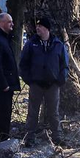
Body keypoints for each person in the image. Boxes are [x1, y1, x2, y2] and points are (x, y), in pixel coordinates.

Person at [18, 16, 69, 147]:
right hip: (36, 84)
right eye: (37, 26)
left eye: (40, 26)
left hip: (53, 85)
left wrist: (60, 80)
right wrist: (29, 80)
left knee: (54, 112)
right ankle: (29, 137)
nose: (37, 29)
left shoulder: (58, 45)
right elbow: (23, 64)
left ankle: (57, 137)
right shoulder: (31, 44)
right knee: (32, 112)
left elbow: (64, 65)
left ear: (46, 28)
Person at [0, 12, 20, 143]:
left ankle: (4, 138)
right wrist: (4, 84)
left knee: (7, 113)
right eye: (9, 22)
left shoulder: (5, 39)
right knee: (3, 113)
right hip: (3, 86)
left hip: (8, 84)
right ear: (1, 23)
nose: (12, 24)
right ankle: (1, 140)